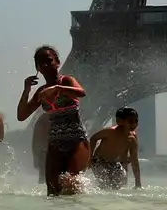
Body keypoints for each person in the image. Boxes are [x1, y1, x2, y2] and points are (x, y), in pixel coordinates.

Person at [17, 46, 89, 196]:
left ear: (57, 62)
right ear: (37, 68)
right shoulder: (41, 92)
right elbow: (22, 115)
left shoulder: (67, 80)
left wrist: (58, 88)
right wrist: (26, 90)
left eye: (49, 61)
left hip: (76, 140)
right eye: (41, 63)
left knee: (71, 184)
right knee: (52, 191)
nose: (45, 65)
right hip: (55, 142)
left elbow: (81, 92)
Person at [90, 107, 142, 190]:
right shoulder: (110, 131)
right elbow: (93, 138)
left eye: (136, 121)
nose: (134, 124)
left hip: (114, 163)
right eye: (131, 121)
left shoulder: (132, 138)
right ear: (120, 121)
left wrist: (138, 182)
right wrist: (89, 158)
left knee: (119, 186)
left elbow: (134, 160)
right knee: (106, 185)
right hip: (98, 161)